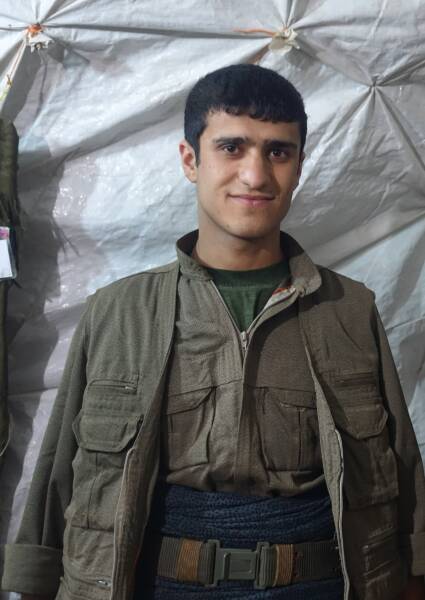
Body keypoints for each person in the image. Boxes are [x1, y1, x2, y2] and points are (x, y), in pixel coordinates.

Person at [2, 64, 425, 600]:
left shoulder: (348, 309)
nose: (255, 175)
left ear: (299, 166)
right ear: (190, 160)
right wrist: (34, 581)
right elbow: (58, 475)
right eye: (231, 147)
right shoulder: (118, 312)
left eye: (278, 151)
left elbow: (402, 473)